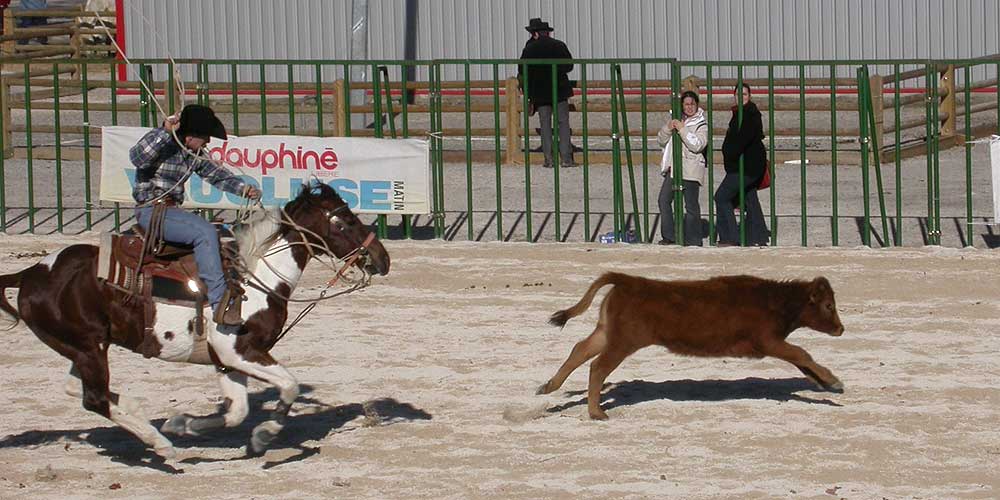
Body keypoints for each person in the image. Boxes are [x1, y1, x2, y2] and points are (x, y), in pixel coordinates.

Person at [129, 104, 261, 327]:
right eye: (205, 137)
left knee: (224, 234)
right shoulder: (163, 143)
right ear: (190, 136)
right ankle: (220, 303)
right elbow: (138, 157)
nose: (208, 142)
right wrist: (165, 131)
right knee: (205, 232)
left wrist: (243, 189)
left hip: (170, 212)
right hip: (152, 211)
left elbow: (217, 175)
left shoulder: (193, 154)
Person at [715, 83, 770, 246]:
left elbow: (740, 141)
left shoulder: (750, 114)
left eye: (744, 94)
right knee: (749, 197)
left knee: (721, 197)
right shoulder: (740, 113)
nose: (741, 97)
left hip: (747, 168)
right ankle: (758, 236)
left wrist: (728, 153)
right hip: (747, 167)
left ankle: (730, 237)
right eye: (738, 94)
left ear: (749, 96)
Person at [517, 17, 576, 169]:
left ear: (535, 34)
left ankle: (548, 159)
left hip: (540, 92)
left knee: (545, 123)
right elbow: (569, 66)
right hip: (559, 89)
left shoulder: (529, 49)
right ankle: (566, 158)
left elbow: (522, 70)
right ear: (547, 33)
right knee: (563, 123)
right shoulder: (559, 45)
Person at [657, 90, 707, 246]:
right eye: (686, 104)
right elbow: (661, 140)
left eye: (692, 104)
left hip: (691, 169)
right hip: (674, 168)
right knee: (663, 200)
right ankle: (670, 236)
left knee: (691, 206)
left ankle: (694, 239)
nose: (689, 107)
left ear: (697, 105)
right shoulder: (677, 120)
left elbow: (697, 144)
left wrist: (682, 129)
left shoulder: (701, 123)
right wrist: (668, 127)